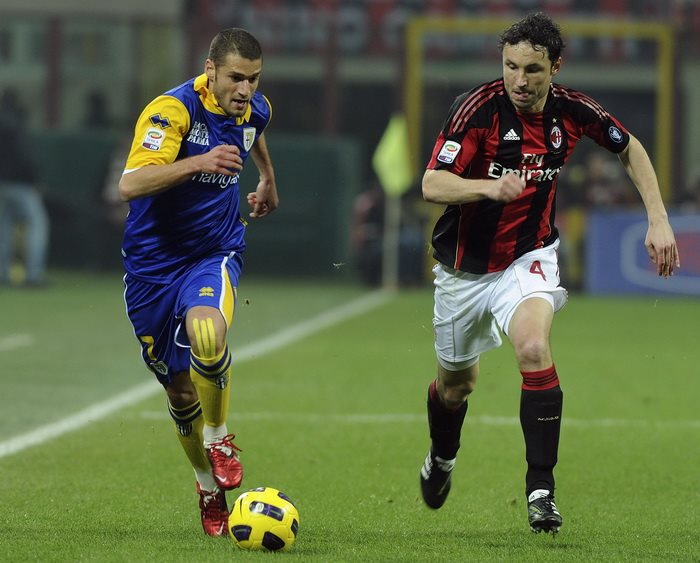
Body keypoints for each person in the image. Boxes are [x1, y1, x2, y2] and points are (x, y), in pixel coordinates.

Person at [418, 12, 679, 534]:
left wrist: (658, 218)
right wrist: (487, 187)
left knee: (534, 348)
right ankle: (442, 457)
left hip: (528, 256)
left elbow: (630, 147)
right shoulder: (477, 109)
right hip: (463, 272)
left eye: (532, 69)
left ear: (555, 67)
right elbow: (432, 183)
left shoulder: (572, 110)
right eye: (511, 66)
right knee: (456, 387)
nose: (519, 80)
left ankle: (541, 490)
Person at [118, 28, 278, 537]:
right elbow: (130, 184)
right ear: (210, 70)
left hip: (214, 252)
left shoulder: (254, 108)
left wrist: (267, 177)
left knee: (207, 331)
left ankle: (219, 436)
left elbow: (254, 131)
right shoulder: (171, 112)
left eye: (254, 78)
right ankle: (206, 484)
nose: (245, 89)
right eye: (236, 77)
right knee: (179, 390)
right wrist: (199, 163)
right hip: (151, 267)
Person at [0, 88, 50, 287]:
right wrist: (35, 180)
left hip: (2, 183)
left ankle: (2, 273)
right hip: (21, 184)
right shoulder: (17, 123)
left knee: (3, 229)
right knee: (37, 224)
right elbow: (24, 156)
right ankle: (33, 274)